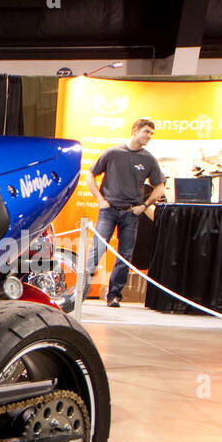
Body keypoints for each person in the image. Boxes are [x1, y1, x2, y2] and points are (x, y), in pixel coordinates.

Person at [81, 118, 165, 307]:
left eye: (151, 133)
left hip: (131, 213)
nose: (149, 136)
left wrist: (145, 205)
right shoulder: (113, 153)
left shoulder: (148, 159)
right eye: (146, 132)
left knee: (125, 255)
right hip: (109, 211)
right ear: (135, 131)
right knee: (96, 250)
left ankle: (114, 294)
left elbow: (160, 187)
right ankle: (81, 291)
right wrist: (100, 200)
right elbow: (89, 175)